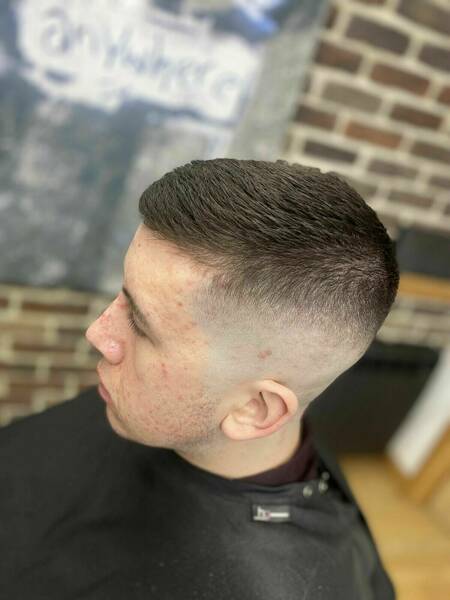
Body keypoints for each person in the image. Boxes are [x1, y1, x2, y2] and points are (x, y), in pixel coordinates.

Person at [0, 159, 398, 599]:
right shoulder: (150, 406)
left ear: (253, 409)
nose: (98, 333)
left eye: (141, 325)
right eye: (123, 295)